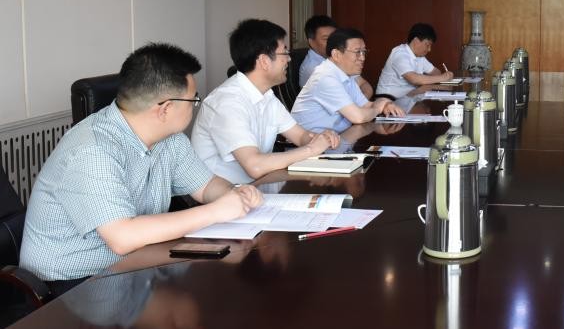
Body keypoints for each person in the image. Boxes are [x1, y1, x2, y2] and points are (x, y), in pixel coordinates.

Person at [19, 43, 263, 286]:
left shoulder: (171, 140)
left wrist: (234, 193)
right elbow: (122, 237)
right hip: (71, 283)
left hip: (134, 264)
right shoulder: (93, 150)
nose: (194, 106)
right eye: (193, 100)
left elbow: (206, 186)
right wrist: (216, 211)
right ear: (165, 109)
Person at [191, 19, 340, 184]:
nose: (289, 59)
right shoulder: (227, 102)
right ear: (264, 61)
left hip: (258, 186)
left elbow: (300, 136)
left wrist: (320, 138)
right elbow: (255, 166)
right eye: (284, 52)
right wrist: (311, 149)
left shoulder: (266, 95)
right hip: (223, 194)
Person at [292, 27, 404, 132]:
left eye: (364, 52)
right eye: (357, 52)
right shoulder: (325, 77)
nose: (362, 58)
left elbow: (365, 105)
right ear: (336, 54)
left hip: (336, 137)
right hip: (311, 142)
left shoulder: (346, 75)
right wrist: (378, 109)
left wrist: (385, 104)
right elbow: (358, 117)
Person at [298, 15, 374, 98]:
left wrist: (362, 100)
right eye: (326, 39)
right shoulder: (313, 68)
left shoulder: (336, 57)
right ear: (311, 42)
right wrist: (362, 101)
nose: (333, 42)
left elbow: (364, 84)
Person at [375, 23, 454, 99]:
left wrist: (444, 76)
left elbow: (436, 72)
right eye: (427, 45)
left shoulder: (419, 56)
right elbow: (414, 79)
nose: (429, 49)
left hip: (407, 97)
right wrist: (442, 78)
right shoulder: (400, 54)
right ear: (416, 40)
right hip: (388, 99)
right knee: (425, 95)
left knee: (426, 95)